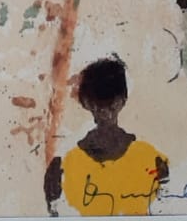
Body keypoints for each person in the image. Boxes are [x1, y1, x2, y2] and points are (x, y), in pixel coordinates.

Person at [44, 57, 168, 216]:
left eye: (110, 103)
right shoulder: (60, 168)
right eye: (98, 104)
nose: (105, 111)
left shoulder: (155, 162)